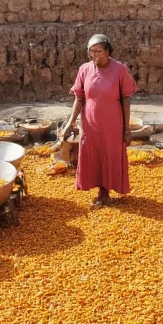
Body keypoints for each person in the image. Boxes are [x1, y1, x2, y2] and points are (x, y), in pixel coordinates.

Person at [59, 34, 137, 208]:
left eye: (99, 51)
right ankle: (99, 188)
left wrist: (126, 128)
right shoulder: (84, 69)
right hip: (90, 123)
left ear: (108, 52)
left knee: (110, 153)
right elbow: (79, 98)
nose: (94, 56)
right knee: (92, 153)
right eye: (91, 52)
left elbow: (125, 99)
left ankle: (105, 190)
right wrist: (71, 123)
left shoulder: (120, 69)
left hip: (112, 124)